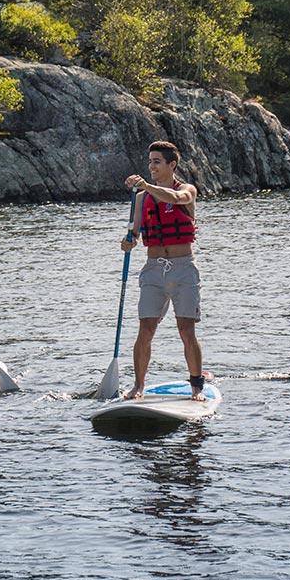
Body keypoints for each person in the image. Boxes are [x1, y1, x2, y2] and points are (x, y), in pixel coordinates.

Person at [120, 141, 205, 401]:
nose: (152, 166)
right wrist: (128, 242)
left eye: (157, 162)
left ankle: (196, 387)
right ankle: (138, 387)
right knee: (145, 330)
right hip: (153, 270)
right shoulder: (141, 199)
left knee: (186, 330)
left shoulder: (187, 190)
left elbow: (176, 199)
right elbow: (134, 233)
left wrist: (146, 185)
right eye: (150, 162)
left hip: (183, 269)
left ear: (172, 165)